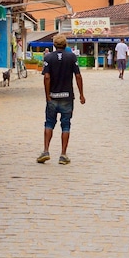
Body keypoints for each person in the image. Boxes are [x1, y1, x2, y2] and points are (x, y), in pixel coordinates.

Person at [37, 35, 86, 165]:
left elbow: (46, 77)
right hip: (67, 96)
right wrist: (81, 94)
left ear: (54, 45)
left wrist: (47, 95)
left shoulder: (48, 57)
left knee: (49, 123)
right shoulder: (72, 57)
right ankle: (63, 155)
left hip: (53, 96)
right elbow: (78, 76)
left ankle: (46, 151)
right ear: (65, 44)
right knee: (66, 125)